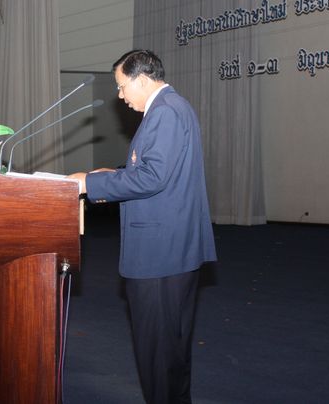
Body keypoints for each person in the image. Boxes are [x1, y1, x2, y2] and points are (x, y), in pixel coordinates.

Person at [69, 49, 217, 404]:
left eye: (122, 87)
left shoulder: (164, 111)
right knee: (170, 350)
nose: (120, 96)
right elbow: (155, 168)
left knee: (159, 353)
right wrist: (114, 173)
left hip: (160, 253)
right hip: (170, 248)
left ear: (143, 79)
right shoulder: (171, 107)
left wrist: (89, 184)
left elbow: (152, 178)